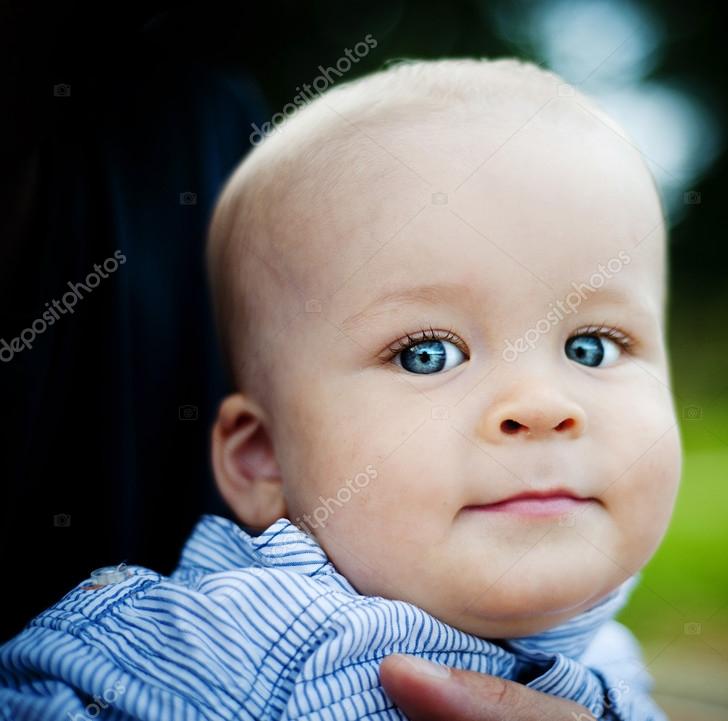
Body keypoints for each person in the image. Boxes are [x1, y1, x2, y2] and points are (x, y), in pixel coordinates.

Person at [0, 58, 681, 720]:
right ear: (262, 457)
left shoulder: (611, 657)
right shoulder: (228, 647)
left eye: (592, 345)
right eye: (428, 355)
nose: (541, 405)